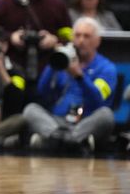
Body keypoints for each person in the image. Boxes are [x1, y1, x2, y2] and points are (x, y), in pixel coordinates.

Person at [24, 17, 117, 154]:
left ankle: (52, 141)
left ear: (97, 41)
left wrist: (79, 77)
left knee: (106, 115)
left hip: (85, 123)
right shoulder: (63, 63)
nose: (81, 41)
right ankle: (71, 141)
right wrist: (54, 62)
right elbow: (42, 92)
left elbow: (98, 100)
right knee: (30, 109)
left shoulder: (107, 68)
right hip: (57, 122)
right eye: (77, 35)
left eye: (87, 36)